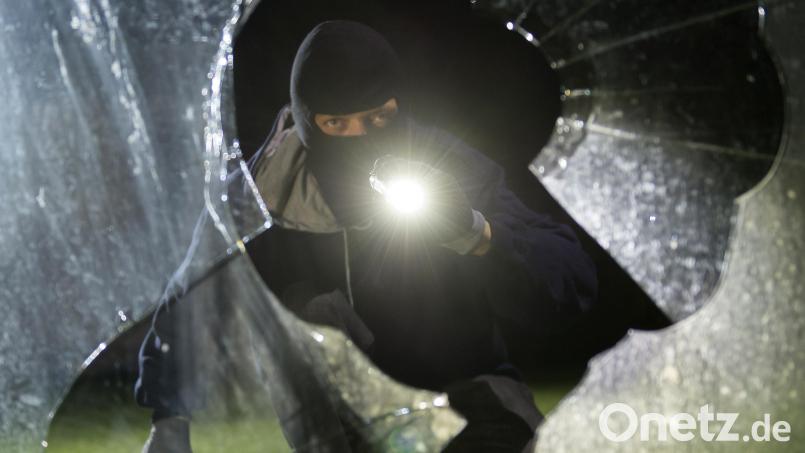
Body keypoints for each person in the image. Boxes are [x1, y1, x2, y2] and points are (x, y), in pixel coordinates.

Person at [136, 20, 597, 452]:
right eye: (336, 123)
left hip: (471, 406)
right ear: (306, 117)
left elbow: (570, 277)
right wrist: (169, 420)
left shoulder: (447, 165)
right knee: (306, 305)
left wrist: (478, 233)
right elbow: (193, 298)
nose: (359, 136)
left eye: (378, 117)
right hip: (337, 430)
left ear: (399, 106)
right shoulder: (257, 199)